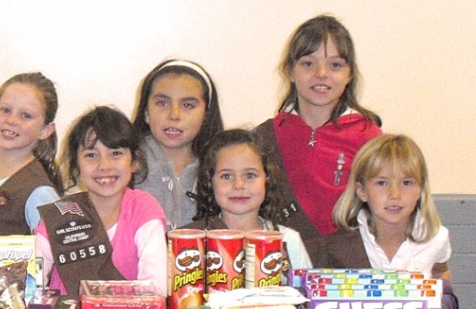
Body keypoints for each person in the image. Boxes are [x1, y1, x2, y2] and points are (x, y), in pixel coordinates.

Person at [255, 15, 382, 240]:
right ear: (290, 71)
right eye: (308, 63)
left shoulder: (369, 137)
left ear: (350, 73)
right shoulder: (265, 137)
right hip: (282, 263)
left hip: (350, 266)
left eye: (335, 65)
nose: (321, 74)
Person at [310, 134, 458, 309]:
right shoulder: (340, 246)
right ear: (362, 191)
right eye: (382, 183)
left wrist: (438, 302)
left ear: (420, 190)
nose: (395, 195)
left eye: (406, 183)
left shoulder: (436, 237)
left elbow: (441, 273)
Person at [35, 106, 167, 297]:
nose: (104, 166)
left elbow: (156, 289)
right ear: (76, 166)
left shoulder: (143, 209)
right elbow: (32, 282)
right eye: (91, 155)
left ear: (134, 161)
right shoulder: (60, 214)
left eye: (115, 154)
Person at [0, 72, 63, 257]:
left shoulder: (39, 192)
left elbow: (53, 260)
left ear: (45, 130)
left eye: (26, 115)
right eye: (6, 110)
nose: (11, 120)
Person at [183, 129, 312, 269]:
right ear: (210, 182)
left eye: (250, 175)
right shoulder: (190, 241)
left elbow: (305, 289)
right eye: (226, 176)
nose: (239, 185)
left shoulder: (287, 239)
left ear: (267, 179)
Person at [131, 59, 224, 230]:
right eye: (162, 103)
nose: (174, 115)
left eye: (188, 105)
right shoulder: (124, 166)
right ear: (146, 112)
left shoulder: (223, 167)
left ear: (205, 115)